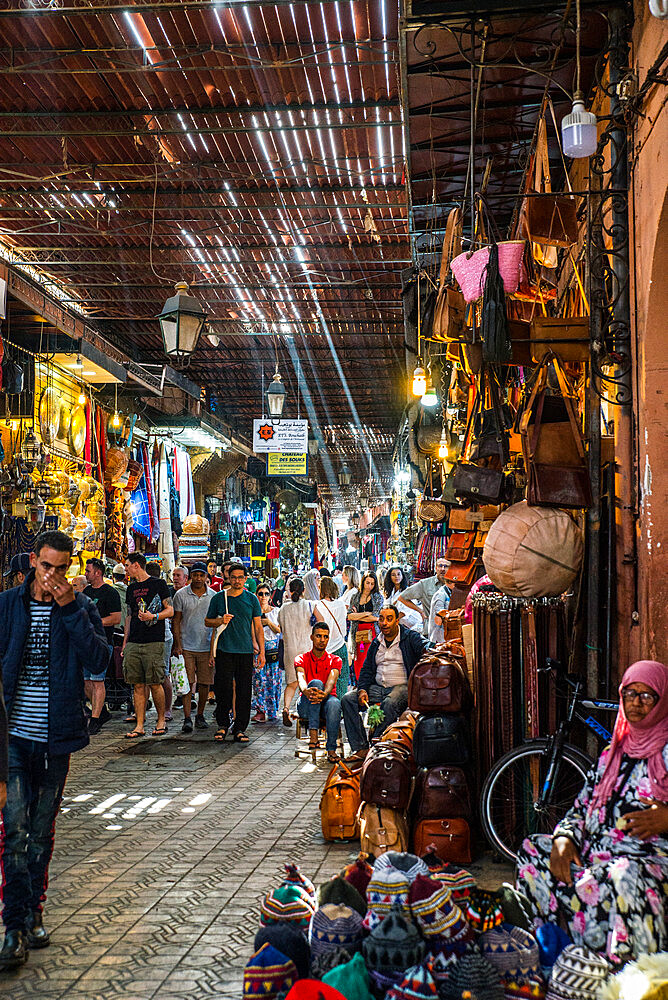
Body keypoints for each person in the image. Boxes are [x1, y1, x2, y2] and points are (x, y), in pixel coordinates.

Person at [0, 530, 108, 970]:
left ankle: (34, 913)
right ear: (32, 562)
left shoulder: (80, 607)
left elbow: (99, 660)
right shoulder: (7, 605)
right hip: (12, 738)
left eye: (62, 569)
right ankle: (15, 926)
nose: (53, 577)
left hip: (57, 735)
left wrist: (69, 610)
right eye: (47, 567)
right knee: (14, 831)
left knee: (41, 832)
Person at [517, 660, 668, 965]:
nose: (636, 703)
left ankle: (622, 968)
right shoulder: (612, 754)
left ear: (662, 701)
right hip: (596, 853)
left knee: (624, 875)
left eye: (647, 696)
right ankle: (551, 948)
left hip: (645, 862)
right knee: (533, 848)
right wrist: (564, 838)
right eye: (630, 694)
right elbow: (581, 807)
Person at [341, 605, 430, 762]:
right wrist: (362, 689)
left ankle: (376, 746)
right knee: (348, 699)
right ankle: (361, 748)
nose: (385, 623)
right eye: (381, 619)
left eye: (389, 619)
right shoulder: (376, 642)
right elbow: (366, 670)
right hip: (378, 688)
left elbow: (426, 645)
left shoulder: (409, 638)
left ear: (397, 621)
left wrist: (435, 649)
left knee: (389, 704)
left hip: (402, 688)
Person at [205, 562, 264, 744]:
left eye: (240, 577)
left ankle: (240, 728)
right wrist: (220, 620)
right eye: (233, 577)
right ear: (228, 578)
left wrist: (261, 652)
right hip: (224, 650)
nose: (237, 581)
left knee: (244, 690)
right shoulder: (218, 599)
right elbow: (208, 622)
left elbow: (258, 627)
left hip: (245, 651)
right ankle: (223, 724)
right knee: (223, 689)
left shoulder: (252, 599)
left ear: (245, 579)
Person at [122, 553, 173, 739]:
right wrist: (126, 642)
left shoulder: (158, 584)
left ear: (136, 565)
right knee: (137, 684)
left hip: (154, 640)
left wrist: (154, 617)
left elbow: (170, 610)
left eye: (127, 565)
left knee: (154, 682)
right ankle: (140, 725)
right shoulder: (131, 588)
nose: (126, 569)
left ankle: (161, 720)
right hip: (134, 641)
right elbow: (129, 616)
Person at [172, 562, 215, 734]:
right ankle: (187, 717)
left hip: (206, 645)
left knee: (205, 683)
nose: (198, 578)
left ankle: (200, 714)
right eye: (195, 575)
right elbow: (176, 621)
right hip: (187, 646)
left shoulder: (213, 596)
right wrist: (178, 644)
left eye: (201, 575)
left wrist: (213, 649)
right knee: (187, 684)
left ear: (206, 577)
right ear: (191, 576)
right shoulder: (181, 595)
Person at [83, 557, 121, 734]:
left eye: (88, 570)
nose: (86, 573)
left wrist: (94, 622)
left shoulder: (110, 593)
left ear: (98, 572)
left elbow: (116, 618)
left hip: (102, 643)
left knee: (98, 680)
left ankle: (96, 719)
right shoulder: (86, 592)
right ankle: (102, 710)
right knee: (87, 681)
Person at [295, 623, 342, 763]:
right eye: (318, 636)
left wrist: (324, 693)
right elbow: (301, 678)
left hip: (326, 703)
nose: (322, 640)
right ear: (312, 637)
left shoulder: (335, 660)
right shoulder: (301, 658)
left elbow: (332, 680)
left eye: (325, 637)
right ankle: (313, 733)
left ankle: (331, 749)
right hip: (306, 705)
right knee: (316, 683)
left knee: (335, 703)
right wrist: (306, 691)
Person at [277, 578, 315, 728]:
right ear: (303, 591)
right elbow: (321, 622)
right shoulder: (310, 605)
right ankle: (307, 713)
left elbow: (280, 627)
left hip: (290, 650)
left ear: (290, 591)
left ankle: (286, 708)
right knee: (307, 683)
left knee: (292, 684)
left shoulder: (283, 609)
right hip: (307, 649)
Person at [146, 562, 174, 722]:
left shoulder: (160, 588)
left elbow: (170, 612)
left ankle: (166, 710)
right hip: (149, 638)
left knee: (162, 675)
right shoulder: (138, 588)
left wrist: (154, 617)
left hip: (162, 637)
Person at [314, 577, 350, 700]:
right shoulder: (341, 604)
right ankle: (339, 706)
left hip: (325, 648)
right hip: (340, 645)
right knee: (342, 679)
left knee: (324, 680)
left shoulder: (317, 605)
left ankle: (327, 708)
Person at [397, 556, 451, 637]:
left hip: (450, 630)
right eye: (440, 566)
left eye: (446, 566)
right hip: (431, 631)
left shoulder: (455, 585)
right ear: (436, 568)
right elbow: (402, 597)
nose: (442, 569)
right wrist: (420, 611)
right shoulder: (425, 584)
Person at [251, 584, 281, 723]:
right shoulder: (253, 612)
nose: (263, 597)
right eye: (261, 593)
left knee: (273, 682)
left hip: (273, 651)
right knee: (259, 682)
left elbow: (279, 630)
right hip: (257, 650)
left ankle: (272, 711)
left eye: (266, 593)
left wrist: (268, 623)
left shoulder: (276, 612)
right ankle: (260, 711)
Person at [348, 571, 383, 682]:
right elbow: (349, 616)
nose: (369, 586)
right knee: (359, 656)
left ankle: (370, 682)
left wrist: (357, 616)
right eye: (367, 583)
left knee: (371, 657)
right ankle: (360, 682)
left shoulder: (377, 597)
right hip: (359, 633)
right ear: (363, 582)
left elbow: (376, 617)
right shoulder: (355, 596)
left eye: (372, 583)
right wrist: (366, 614)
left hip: (372, 632)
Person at [383, 565, 423, 633]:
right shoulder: (390, 591)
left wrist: (390, 621)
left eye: (399, 574)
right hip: (399, 625)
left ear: (402, 576)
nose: (396, 577)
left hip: (413, 626)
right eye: (393, 575)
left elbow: (404, 612)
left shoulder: (408, 591)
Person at [111, 563, 128, 630]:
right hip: (126, 628)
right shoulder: (129, 591)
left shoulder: (110, 591)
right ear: (124, 577)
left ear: (113, 576)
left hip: (114, 627)